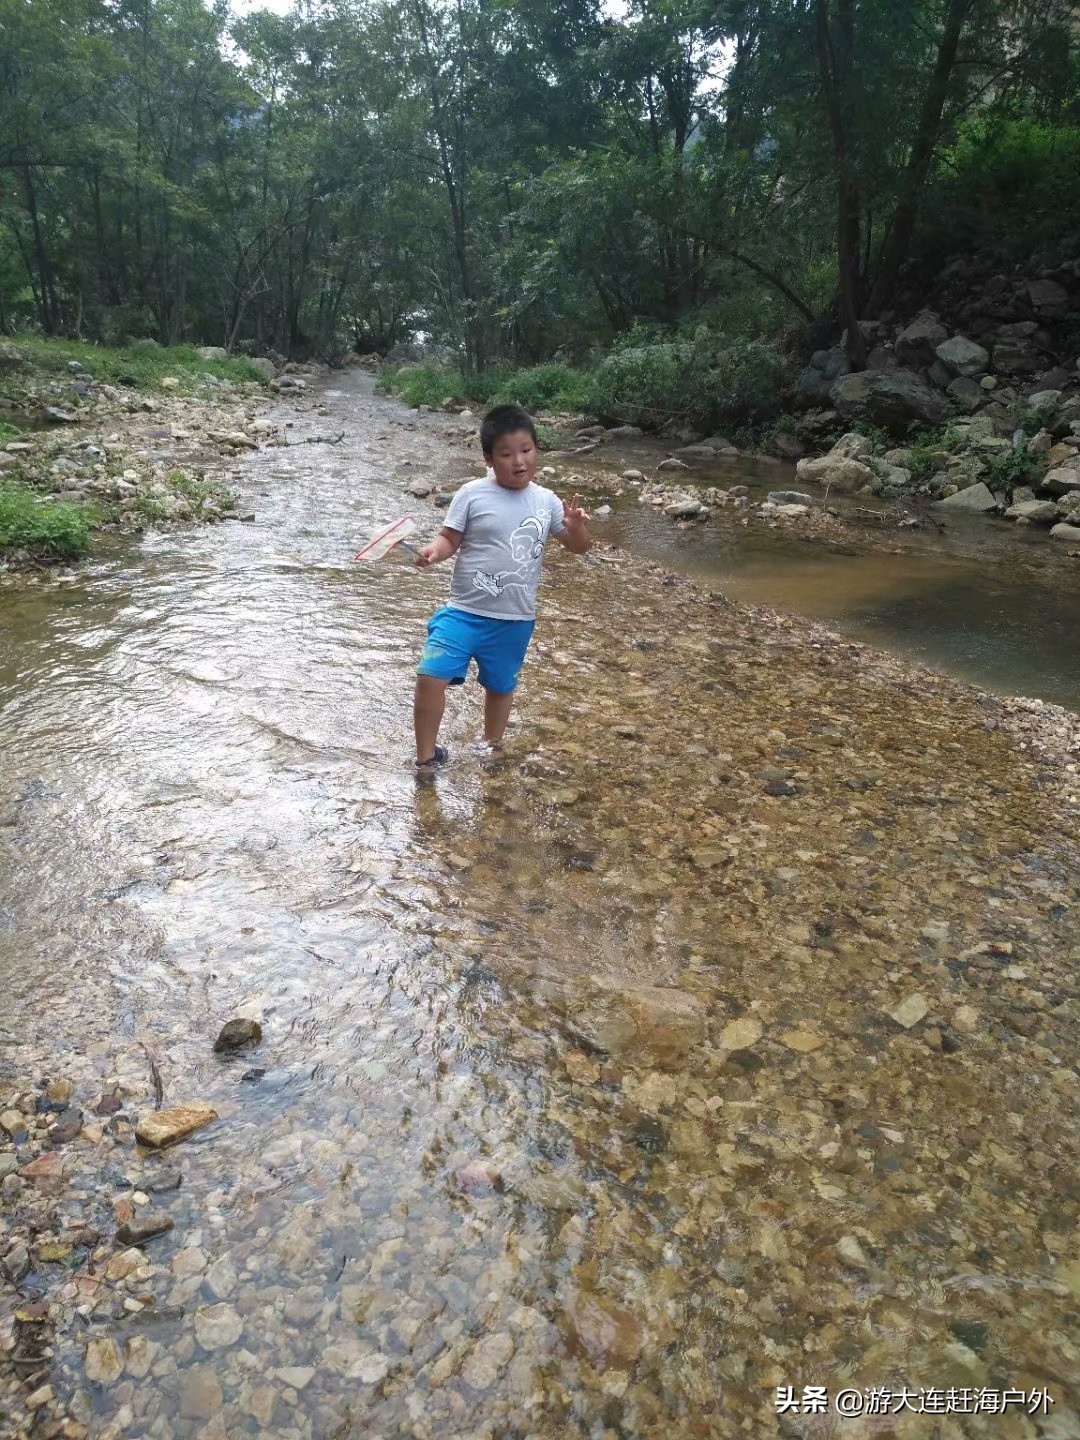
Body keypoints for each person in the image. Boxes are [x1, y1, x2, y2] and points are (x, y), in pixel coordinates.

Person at [412, 403, 591, 772]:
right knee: (430, 675)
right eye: (506, 454)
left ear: (536, 450)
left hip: (514, 618)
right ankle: (426, 758)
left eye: (526, 450)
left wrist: (575, 527)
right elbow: (449, 539)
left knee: (500, 685)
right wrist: (434, 551)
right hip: (462, 611)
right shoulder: (471, 494)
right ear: (489, 458)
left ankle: (490, 747)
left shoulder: (546, 501)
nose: (518, 461)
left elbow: (579, 549)